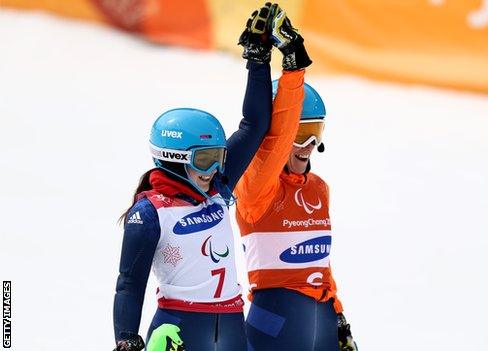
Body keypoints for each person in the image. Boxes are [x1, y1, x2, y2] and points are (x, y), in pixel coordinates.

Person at [112, 4, 284, 350]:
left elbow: (255, 126)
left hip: (232, 325)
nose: (215, 170)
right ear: (174, 160)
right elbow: (130, 283)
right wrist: (126, 338)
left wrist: (258, 59)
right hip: (179, 326)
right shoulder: (149, 214)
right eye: (204, 160)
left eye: (219, 158)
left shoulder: (217, 188)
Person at [234, 7, 358, 351]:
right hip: (276, 324)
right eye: (297, 134)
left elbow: (320, 263)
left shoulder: (319, 188)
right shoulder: (257, 189)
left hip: (322, 321)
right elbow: (274, 142)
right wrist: (293, 69)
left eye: (313, 133)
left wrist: (340, 318)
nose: (305, 146)